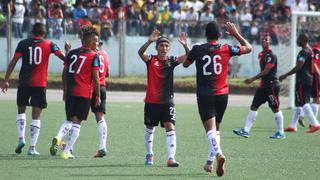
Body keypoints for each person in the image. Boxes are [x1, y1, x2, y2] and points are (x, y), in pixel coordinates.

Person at [183, 21, 252, 176]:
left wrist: (186, 47)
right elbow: (249, 48)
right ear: (220, 35)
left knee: (210, 130)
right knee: (216, 129)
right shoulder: (227, 48)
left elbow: (186, 64)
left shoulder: (197, 49)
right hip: (222, 95)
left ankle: (219, 154)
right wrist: (235, 34)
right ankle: (209, 162)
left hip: (205, 95)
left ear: (205, 35)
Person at [1, 23, 66, 155]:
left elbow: (14, 61)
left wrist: (6, 80)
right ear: (44, 32)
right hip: (39, 85)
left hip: (24, 83)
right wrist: (68, 50)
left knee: (21, 110)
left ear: (32, 32)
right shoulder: (50, 44)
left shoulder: (23, 43)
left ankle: (21, 138)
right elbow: (64, 58)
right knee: (36, 116)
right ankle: (32, 148)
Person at [138, 29, 189, 167]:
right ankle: (149, 154)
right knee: (150, 128)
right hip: (151, 102)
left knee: (170, 126)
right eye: (161, 45)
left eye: (166, 46)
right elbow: (140, 53)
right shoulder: (150, 59)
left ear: (169, 48)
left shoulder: (172, 60)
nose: (164, 48)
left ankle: (171, 158)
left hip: (167, 102)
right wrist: (149, 40)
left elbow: (189, 57)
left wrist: (185, 45)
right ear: (157, 47)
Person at [50, 26, 101, 159]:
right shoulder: (94, 56)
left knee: (69, 119)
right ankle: (66, 151)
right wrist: (98, 95)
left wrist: (64, 90)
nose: (97, 43)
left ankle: (59, 136)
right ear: (90, 42)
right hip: (84, 93)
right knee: (77, 123)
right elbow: (96, 78)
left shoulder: (72, 53)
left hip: (70, 92)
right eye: (96, 41)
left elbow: (64, 74)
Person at [233, 35, 285, 139]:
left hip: (271, 84)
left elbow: (266, 71)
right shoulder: (261, 54)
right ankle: (246, 130)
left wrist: (252, 79)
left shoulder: (271, 55)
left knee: (275, 108)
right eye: (263, 39)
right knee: (254, 106)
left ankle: (281, 132)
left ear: (270, 43)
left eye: (267, 39)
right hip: (264, 85)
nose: (264, 41)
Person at [279, 34, 320, 133]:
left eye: (298, 39)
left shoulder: (304, 52)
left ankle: (315, 124)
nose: (297, 40)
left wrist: (285, 75)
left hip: (303, 80)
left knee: (304, 102)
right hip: (308, 79)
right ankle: (293, 126)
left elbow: (299, 66)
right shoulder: (310, 50)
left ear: (303, 40)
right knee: (298, 103)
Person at [92, 41, 109, 158]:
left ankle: (69, 148)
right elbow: (107, 73)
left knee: (76, 118)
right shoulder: (105, 55)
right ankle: (102, 146)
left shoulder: (91, 55)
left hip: (90, 87)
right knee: (100, 118)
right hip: (102, 86)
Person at [298, 37, 320, 127]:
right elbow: (314, 63)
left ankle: (302, 116)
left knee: (316, 99)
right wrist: (319, 75)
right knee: (316, 99)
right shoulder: (316, 49)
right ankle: (312, 123)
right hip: (315, 75)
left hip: (316, 75)